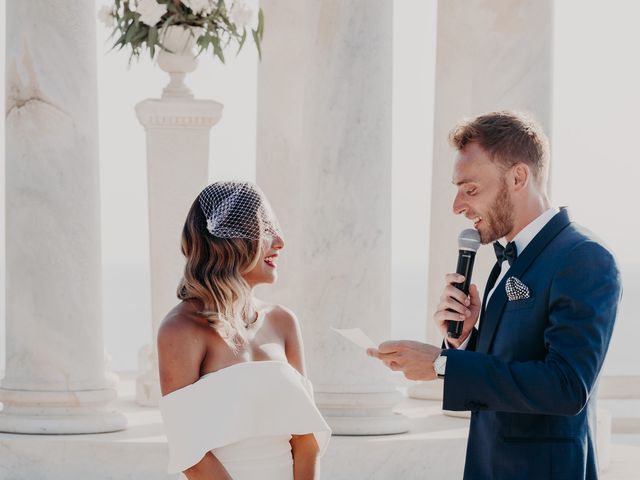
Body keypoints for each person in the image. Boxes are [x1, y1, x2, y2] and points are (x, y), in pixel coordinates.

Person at [367, 111, 621, 479]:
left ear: (519, 176)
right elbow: (509, 367)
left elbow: (566, 386)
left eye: (470, 189)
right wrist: (463, 340)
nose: (457, 206)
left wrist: (442, 365)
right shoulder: (505, 260)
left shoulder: (583, 257)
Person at [158, 181, 331, 480]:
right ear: (231, 243)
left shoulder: (283, 322)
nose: (279, 241)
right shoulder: (181, 329)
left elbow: (306, 440)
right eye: (265, 230)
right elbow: (193, 456)